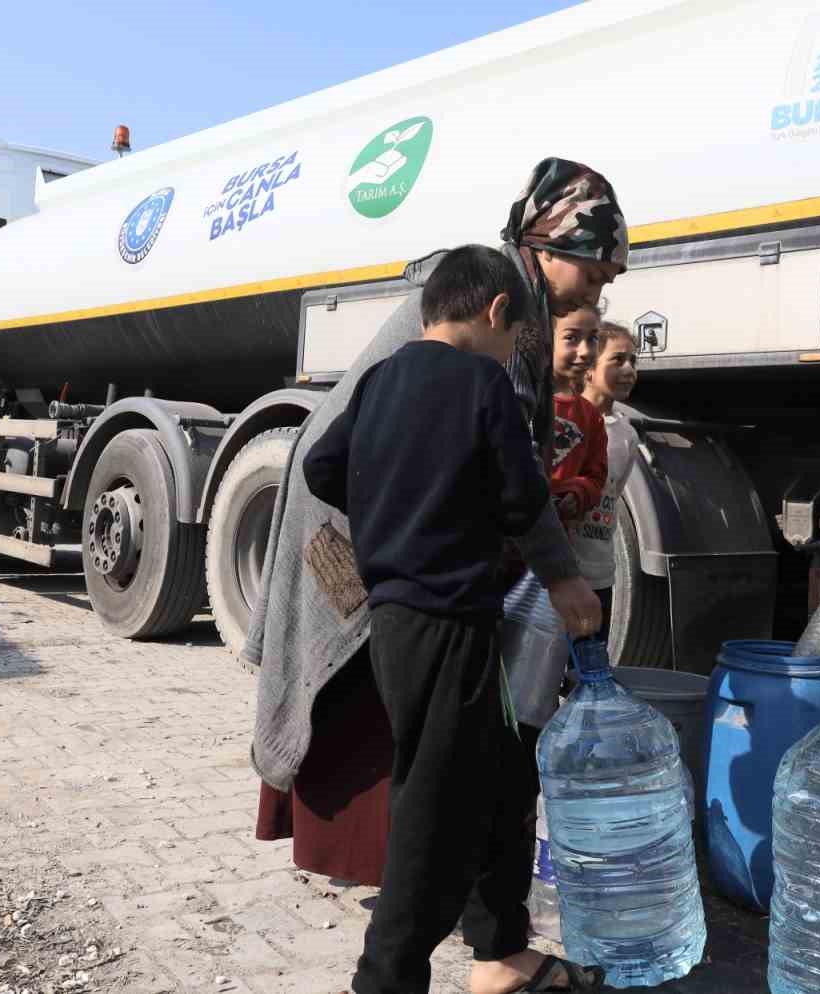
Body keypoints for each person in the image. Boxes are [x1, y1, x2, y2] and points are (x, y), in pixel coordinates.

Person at [247, 158, 627, 992]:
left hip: (410, 596)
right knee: (432, 792)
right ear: (540, 252)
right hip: (414, 595)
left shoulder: (456, 342)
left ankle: (497, 949)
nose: (599, 284)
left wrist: (403, 524)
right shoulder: (491, 353)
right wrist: (420, 527)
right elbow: (514, 489)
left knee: (493, 768)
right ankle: (389, 972)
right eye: (593, 265)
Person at [576, 321, 641, 646]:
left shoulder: (627, 435)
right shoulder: (568, 423)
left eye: (634, 361)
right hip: (564, 576)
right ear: (588, 369)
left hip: (600, 574)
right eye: (618, 360)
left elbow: (612, 495)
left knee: (589, 668)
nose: (629, 369)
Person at [550, 305, 608, 530]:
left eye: (592, 339)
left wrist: (578, 493)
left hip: (555, 540)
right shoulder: (524, 401)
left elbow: (596, 477)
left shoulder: (591, 416)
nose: (585, 351)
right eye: (571, 337)